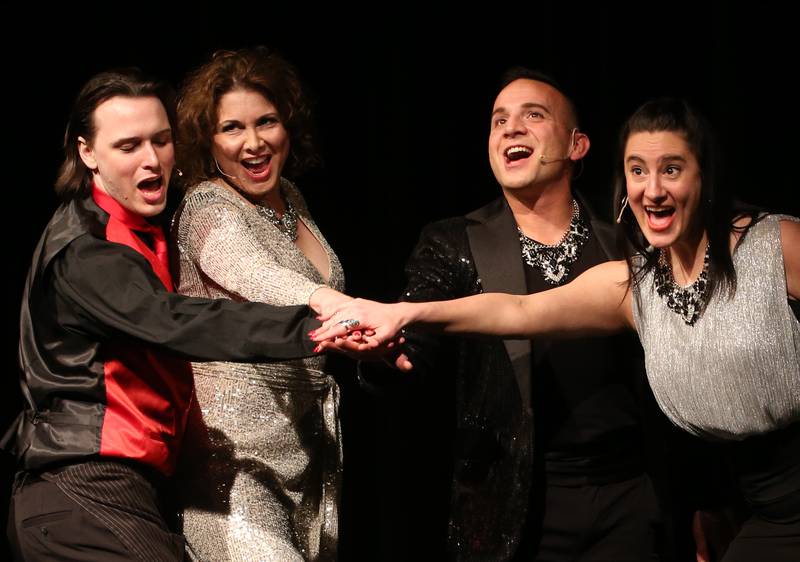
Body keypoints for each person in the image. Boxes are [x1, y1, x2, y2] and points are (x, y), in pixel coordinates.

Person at [316, 98, 800, 561]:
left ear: (705, 175)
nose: (652, 189)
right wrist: (403, 313)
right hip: (758, 502)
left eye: (671, 169)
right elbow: (519, 311)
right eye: (637, 170)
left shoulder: (772, 246)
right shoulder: (637, 284)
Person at [3, 68, 345, 562]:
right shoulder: (87, 250)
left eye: (161, 141)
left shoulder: (141, 233)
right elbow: (181, 321)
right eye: (128, 146)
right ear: (87, 153)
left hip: (123, 492)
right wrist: (319, 325)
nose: (152, 160)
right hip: (83, 490)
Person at [355, 68, 666, 561]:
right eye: (499, 121)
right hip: (515, 507)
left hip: (627, 500)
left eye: (533, 116)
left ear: (577, 145)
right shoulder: (453, 241)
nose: (511, 129)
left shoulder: (628, 243)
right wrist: (383, 355)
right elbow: (415, 339)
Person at [170, 47, 348, 562]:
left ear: (288, 125)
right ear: (208, 139)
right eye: (232, 128)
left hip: (304, 448)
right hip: (235, 463)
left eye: (266, 121)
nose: (254, 143)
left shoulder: (291, 197)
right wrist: (334, 301)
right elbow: (254, 273)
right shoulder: (207, 204)